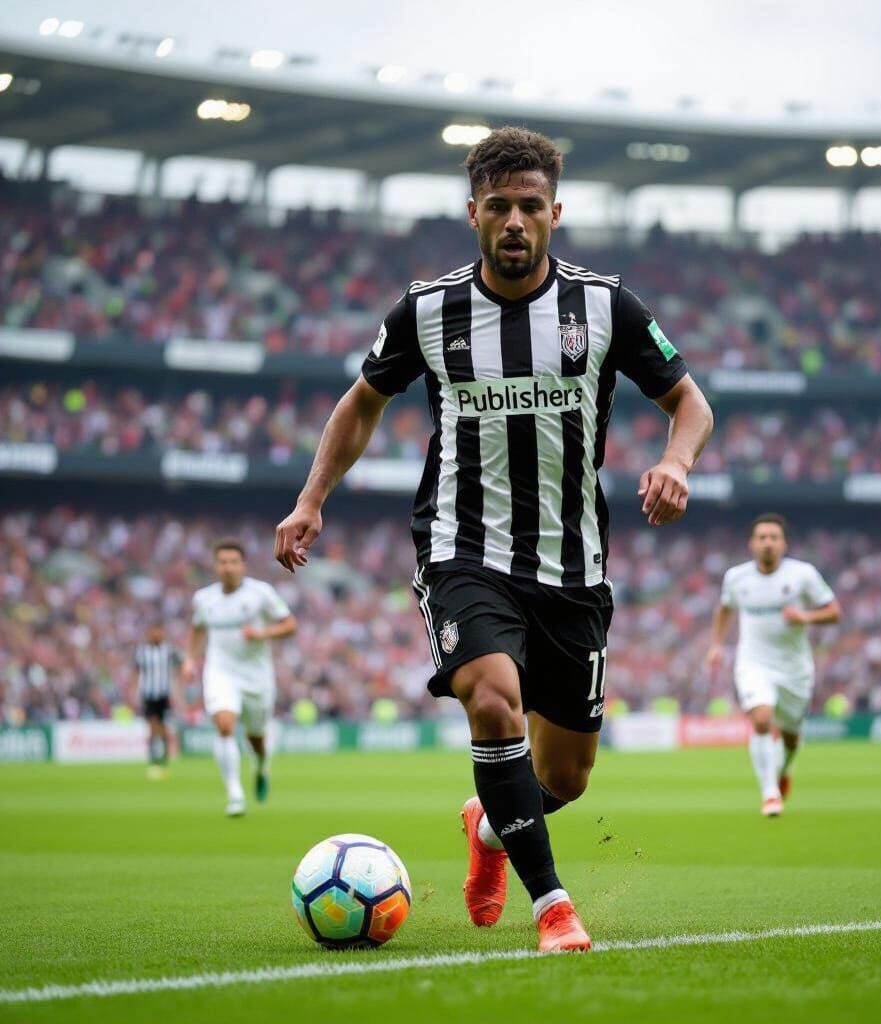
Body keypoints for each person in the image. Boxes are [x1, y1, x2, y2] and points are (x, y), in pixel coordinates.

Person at [274, 126, 713, 951]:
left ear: (556, 213)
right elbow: (361, 402)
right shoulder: (428, 310)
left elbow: (690, 402)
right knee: (490, 698)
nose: (516, 220)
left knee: (566, 777)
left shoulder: (606, 305)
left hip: (572, 567)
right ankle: (553, 907)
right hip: (461, 551)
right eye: (500, 206)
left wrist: (677, 461)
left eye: (531, 206)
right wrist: (311, 500)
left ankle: (488, 828)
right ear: (473, 211)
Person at [706, 514, 842, 816]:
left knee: (792, 737)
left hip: (795, 668)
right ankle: (770, 793)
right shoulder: (736, 578)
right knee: (762, 718)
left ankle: (784, 770)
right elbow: (725, 609)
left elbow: (834, 612)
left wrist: (805, 617)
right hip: (753, 663)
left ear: (784, 544)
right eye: (762, 537)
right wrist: (716, 644)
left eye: (773, 537)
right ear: (752, 544)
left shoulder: (803, 575)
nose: (768, 543)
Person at [182, 539, 297, 817]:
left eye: (233, 562)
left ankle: (260, 766)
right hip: (220, 671)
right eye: (223, 562)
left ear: (242, 565)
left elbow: (290, 625)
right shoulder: (204, 598)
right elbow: (197, 629)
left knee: (256, 739)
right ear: (215, 566)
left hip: (257, 676)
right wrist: (189, 659)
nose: (228, 567)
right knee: (224, 724)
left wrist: (261, 634)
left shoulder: (261, 594)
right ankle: (235, 794)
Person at [133, 624, 180, 778]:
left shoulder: (168, 651)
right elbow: (136, 672)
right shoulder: (142, 652)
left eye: (159, 632)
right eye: (154, 632)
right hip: (149, 695)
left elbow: (180, 664)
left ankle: (163, 758)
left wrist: (179, 688)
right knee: (153, 727)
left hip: (164, 695)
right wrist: (133, 691)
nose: (157, 635)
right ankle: (155, 759)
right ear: (149, 633)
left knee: (163, 728)